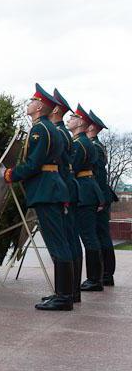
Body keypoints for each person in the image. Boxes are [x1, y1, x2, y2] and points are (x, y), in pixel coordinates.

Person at [4, 83, 72, 311]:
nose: (29, 105)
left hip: (46, 189)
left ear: (40, 106)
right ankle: (64, 293)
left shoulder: (39, 130)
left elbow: (34, 163)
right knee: (58, 242)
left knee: (56, 243)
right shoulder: (51, 129)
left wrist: (12, 173)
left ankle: (63, 297)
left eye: (32, 101)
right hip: (53, 188)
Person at [46, 89, 83, 303]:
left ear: (55, 108)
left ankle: (66, 293)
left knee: (64, 241)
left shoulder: (56, 132)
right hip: (64, 188)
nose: (70, 119)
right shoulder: (62, 132)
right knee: (68, 240)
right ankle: (71, 291)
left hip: (58, 190)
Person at [67, 104, 105, 292]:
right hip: (89, 189)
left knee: (88, 236)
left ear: (81, 122)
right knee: (90, 236)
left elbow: (71, 168)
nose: (69, 120)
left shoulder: (79, 144)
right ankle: (95, 278)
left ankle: (94, 279)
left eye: (73, 117)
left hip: (83, 191)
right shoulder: (86, 142)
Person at [88, 110, 118, 286]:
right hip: (100, 196)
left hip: (100, 196)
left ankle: (106, 274)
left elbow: (98, 177)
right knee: (101, 234)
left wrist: (99, 199)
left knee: (102, 234)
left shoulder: (95, 147)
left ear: (91, 127)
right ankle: (105, 274)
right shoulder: (95, 146)